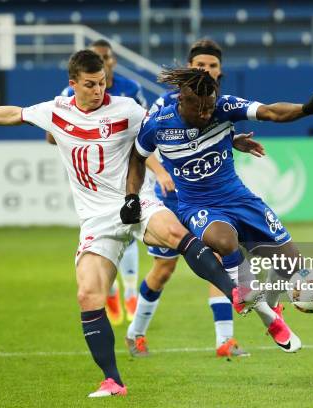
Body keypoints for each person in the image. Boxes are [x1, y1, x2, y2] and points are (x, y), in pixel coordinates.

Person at [0, 50, 257, 398]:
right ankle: (113, 381)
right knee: (88, 294)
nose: (98, 90)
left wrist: (229, 140)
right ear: (73, 84)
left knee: (175, 233)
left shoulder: (126, 108)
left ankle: (237, 293)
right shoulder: (56, 111)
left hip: (135, 201)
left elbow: (170, 127)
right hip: (95, 219)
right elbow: (13, 114)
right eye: (91, 85)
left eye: (102, 84)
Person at [124, 67, 313, 353]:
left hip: (239, 199)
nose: (206, 114)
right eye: (199, 108)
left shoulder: (224, 107)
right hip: (197, 206)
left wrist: (307, 109)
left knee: (292, 266)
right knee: (224, 241)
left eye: (210, 106)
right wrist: (131, 197)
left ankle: (271, 308)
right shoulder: (158, 123)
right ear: (181, 100)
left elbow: (272, 112)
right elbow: (136, 158)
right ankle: (249, 297)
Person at [125, 39, 262, 358]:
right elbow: (143, 149)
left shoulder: (220, 106)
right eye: (201, 65)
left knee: (217, 259)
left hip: (209, 201)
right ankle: (136, 333)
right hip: (173, 201)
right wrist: (161, 173)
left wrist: (234, 141)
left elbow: (214, 139)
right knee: (164, 270)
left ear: (220, 71)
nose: (207, 70)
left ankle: (224, 340)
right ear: (189, 68)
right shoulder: (164, 106)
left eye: (212, 66)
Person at [47, 39, 147, 326]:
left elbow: (146, 130)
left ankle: (129, 292)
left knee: (127, 232)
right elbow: (51, 133)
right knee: (104, 238)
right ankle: (113, 292)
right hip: (93, 178)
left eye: (107, 57)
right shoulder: (70, 94)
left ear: (112, 61)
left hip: (125, 170)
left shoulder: (129, 92)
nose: (106, 61)